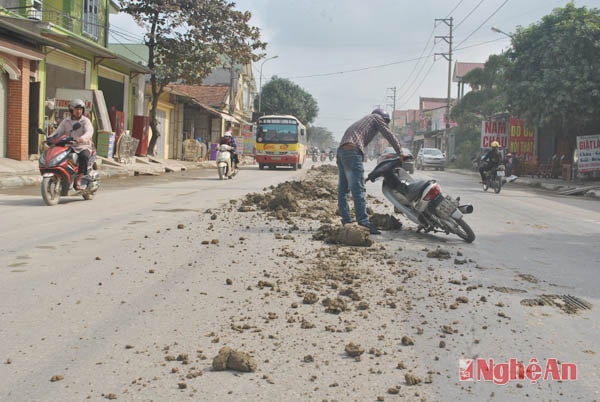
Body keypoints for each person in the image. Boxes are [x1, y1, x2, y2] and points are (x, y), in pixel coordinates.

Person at [337, 108, 403, 235]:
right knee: (358, 189)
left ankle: (346, 220)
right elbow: (388, 134)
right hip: (352, 152)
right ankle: (363, 222)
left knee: (343, 189)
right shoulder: (376, 118)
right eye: (385, 122)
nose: (383, 125)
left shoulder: (362, 123)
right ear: (382, 118)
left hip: (341, 152)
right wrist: (400, 152)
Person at [51, 99, 94, 189]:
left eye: (80, 109)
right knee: (59, 156)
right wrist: (50, 138)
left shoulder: (85, 121)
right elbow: (58, 132)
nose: (78, 111)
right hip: (69, 146)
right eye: (76, 109)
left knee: (84, 156)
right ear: (71, 110)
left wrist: (82, 138)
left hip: (83, 146)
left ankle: (79, 178)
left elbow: (89, 132)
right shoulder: (66, 121)